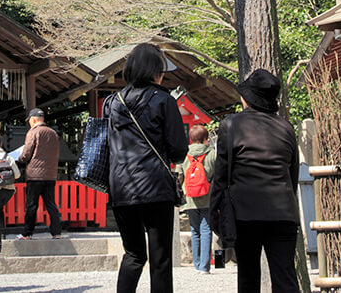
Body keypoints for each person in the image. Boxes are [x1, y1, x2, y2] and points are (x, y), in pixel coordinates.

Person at [103, 43, 188, 293]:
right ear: (154, 70)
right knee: (160, 260)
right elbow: (178, 151)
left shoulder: (111, 103)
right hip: (155, 187)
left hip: (121, 187)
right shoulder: (164, 101)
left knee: (133, 254)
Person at [210, 69, 299, 293]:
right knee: (285, 277)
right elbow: (293, 175)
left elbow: (221, 174)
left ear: (246, 99)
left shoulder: (231, 125)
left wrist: (214, 213)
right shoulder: (287, 128)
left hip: (245, 212)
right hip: (283, 213)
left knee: (248, 277)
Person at [16, 107, 63, 240]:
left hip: (35, 175)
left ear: (33, 119)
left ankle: (27, 232)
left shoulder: (33, 132)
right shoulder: (53, 133)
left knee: (31, 205)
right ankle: (56, 232)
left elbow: (26, 154)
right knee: (51, 203)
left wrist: (19, 160)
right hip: (50, 175)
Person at [181, 124, 216, 274]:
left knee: (195, 230)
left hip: (190, 198)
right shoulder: (212, 154)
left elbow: (179, 175)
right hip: (207, 197)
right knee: (206, 230)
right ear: (205, 139)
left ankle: (196, 264)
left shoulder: (184, 154)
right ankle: (204, 266)